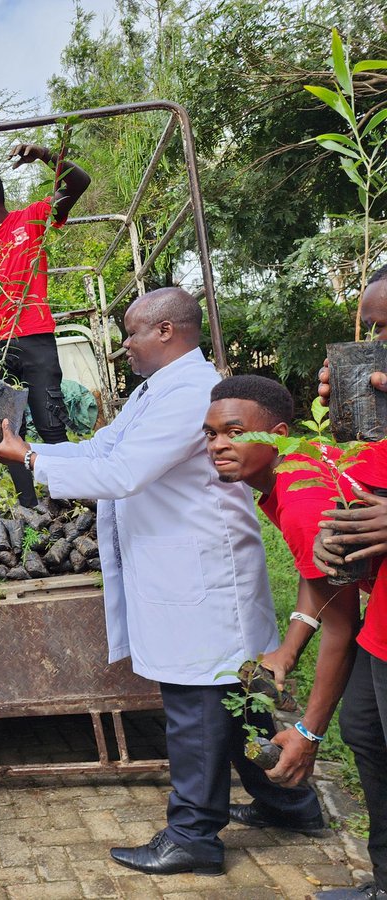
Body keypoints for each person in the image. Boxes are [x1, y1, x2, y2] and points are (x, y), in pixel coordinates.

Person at [0, 287, 323, 876]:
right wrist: (28, 449)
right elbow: (104, 447)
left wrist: (32, 461)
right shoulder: (156, 390)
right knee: (237, 697)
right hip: (182, 567)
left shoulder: (190, 393)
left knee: (198, 703)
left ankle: (193, 835)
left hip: (202, 572)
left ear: (166, 331)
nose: (125, 346)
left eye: (133, 333)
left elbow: (123, 471)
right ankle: (288, 802)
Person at [202, 375, 360, 792]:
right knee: (365, 727)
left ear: (278, 436)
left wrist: (308, 735)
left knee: (365, 730)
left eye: (235, 433)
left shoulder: (302, 500)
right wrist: (287, 652)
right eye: (211, 434)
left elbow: (342, 625)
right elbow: (319, 577)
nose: (218, 445)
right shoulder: (298, 465)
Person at [0, 143, 90, 506]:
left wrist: (45, 155)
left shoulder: (32, 219)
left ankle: (68, 499)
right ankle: (29, 505)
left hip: (35, 337)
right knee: (6, 430)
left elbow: (79, 181)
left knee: (50, 421)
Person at [311, 264, 387, 900]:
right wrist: (352, 410)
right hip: (381, 622)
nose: (377, 346)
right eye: (373, 330)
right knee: (365, 733)